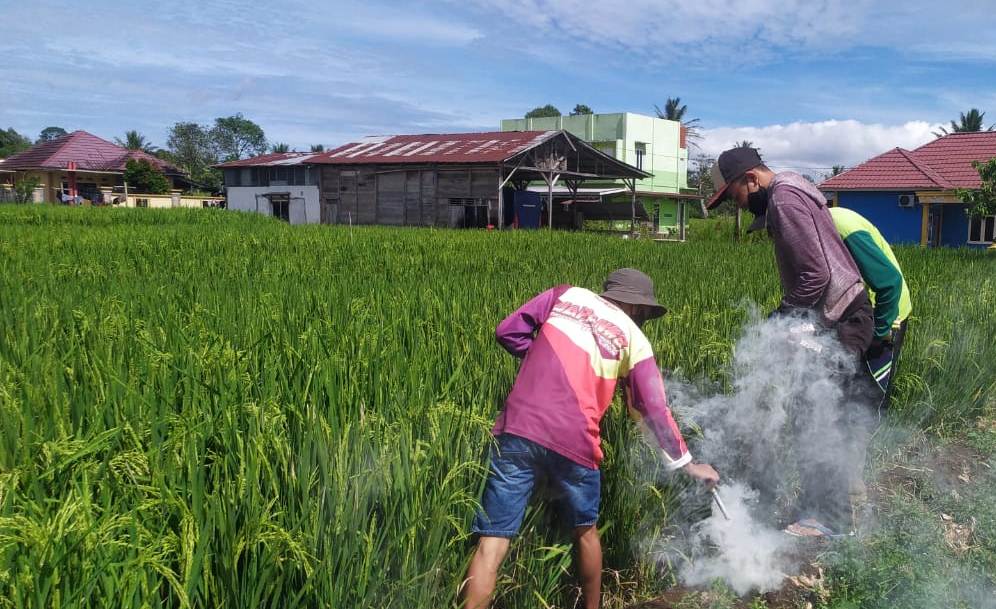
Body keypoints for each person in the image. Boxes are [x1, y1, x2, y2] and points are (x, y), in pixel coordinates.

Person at [462, 269, 719, 609]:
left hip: (518, 428)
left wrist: (543, 359)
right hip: (576, 439)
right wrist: (688, 464)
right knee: (585, 531)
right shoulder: (634, 338)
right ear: (638, 309)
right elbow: (653, 407)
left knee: (491, 543)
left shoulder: (564, 294)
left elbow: (507, 331)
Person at [707, 147, 875, 538]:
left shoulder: (783, 198)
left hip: (840, 319)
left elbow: (814, 274)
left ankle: (829, 520)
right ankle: (821, 511)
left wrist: (781, 317)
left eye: (735, 195)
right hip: (837, 318)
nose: (741, 205)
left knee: (819, 415)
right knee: (809, 413)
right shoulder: (797, 191)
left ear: (751, 178)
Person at [828, 206, 912, 405]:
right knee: (843, 393)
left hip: (883, 314)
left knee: (869, 397)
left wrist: (878, 334)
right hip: (853, 316)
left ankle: (875, 435)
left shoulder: (841, 226)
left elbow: (890, 283)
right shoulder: (817, 229)